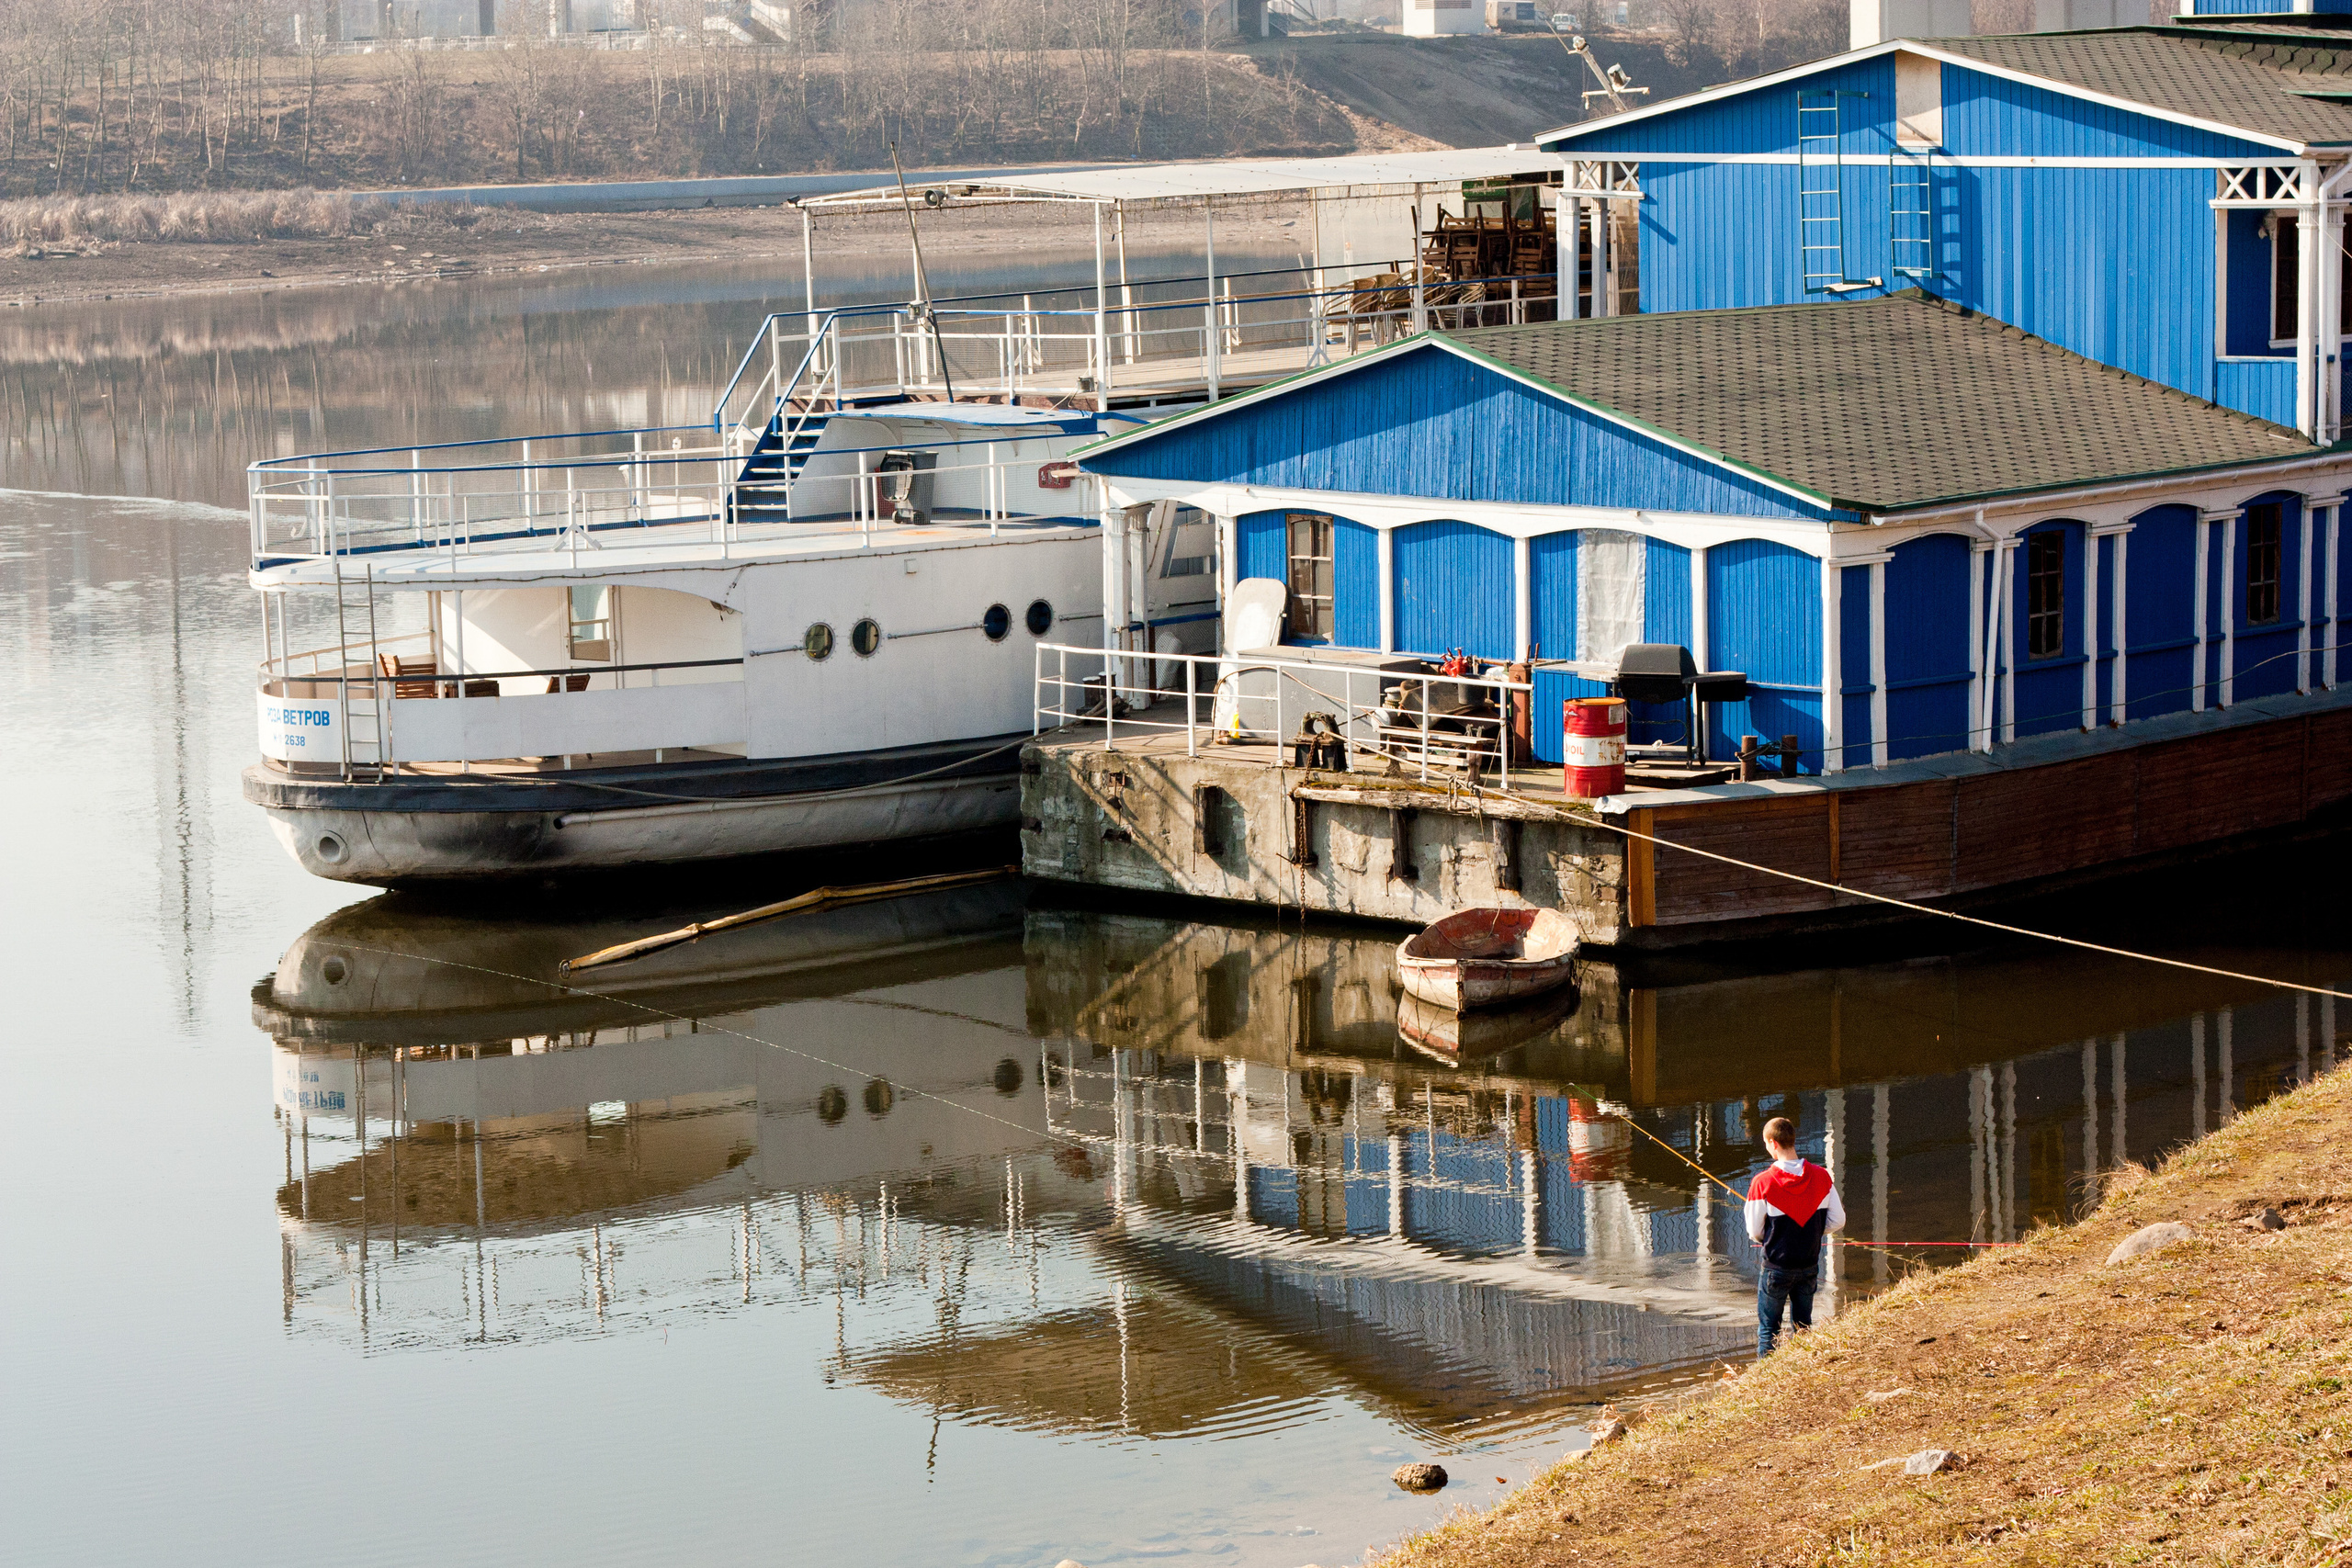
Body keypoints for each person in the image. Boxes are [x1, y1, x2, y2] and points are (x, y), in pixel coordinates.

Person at [1745, 1115, 1843, 1357]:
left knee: (1769, 1330)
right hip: (1808, 1264)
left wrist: (1770, 1236)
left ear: (1773, 1143)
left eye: (1766, 1144)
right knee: (1803, 1326)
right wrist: (1813, 1230)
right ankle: (1803, 1368)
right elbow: (1838, 1221)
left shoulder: (1762, 1183)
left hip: (1776, 1267)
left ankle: (1764, 1383)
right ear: (1793, 1140)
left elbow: (1754, 1231)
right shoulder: (1822, 1176)